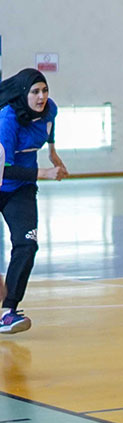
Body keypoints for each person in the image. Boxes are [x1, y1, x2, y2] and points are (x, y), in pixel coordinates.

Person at [0, 69, 68, 334]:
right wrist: (45, 172)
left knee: (27, 244)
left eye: (44, 90)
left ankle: (9, 311)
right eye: (35, 92)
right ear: (24, 93)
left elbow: (49, 129)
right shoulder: (8, 119)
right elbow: (5, 169)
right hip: (4, 178)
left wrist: (53, 153)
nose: (41, 97)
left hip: (22, 189)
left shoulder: (50, 109)